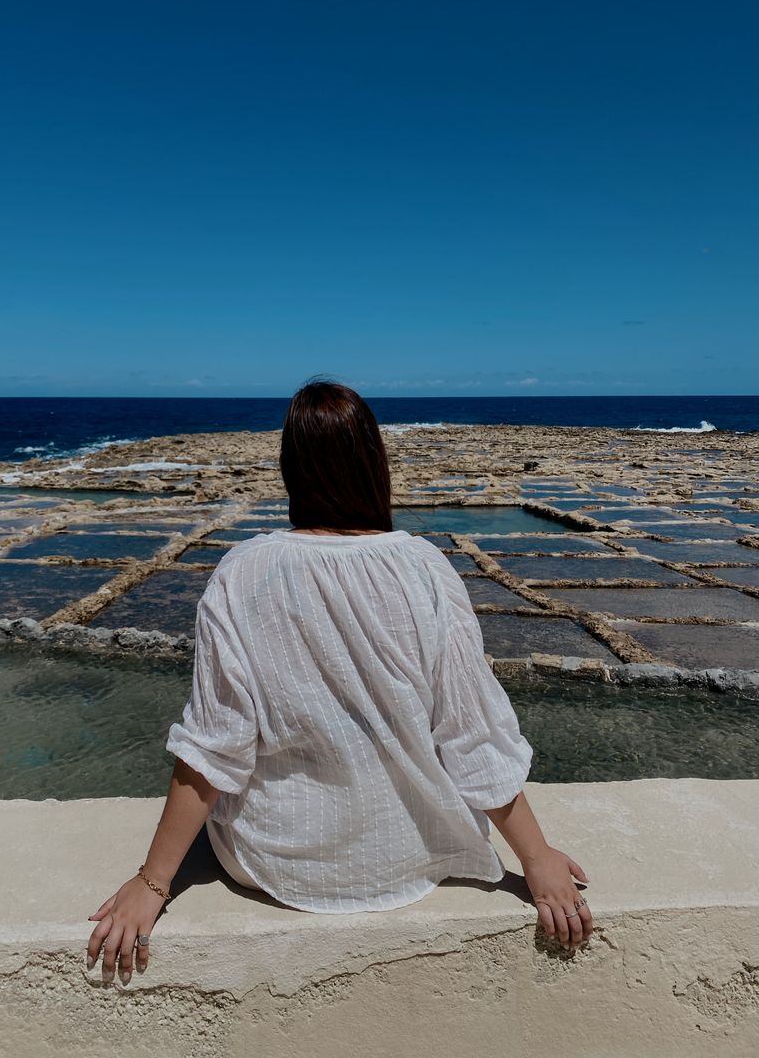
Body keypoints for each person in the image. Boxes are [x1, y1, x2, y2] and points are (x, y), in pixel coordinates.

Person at [86, 380, 592, 985]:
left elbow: (215, 749)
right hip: (414, 855)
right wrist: (537, 862)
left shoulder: (242, 572)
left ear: (290, 469)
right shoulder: (425, 568)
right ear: (374, 463)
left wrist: (153, 883)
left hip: (277, 864)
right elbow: (470, 731)